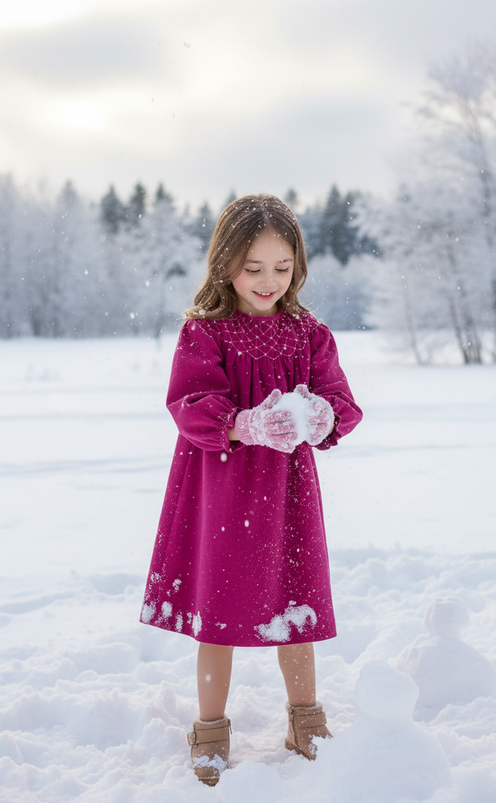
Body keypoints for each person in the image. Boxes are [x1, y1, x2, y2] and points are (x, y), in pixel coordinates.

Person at [140, 194, 363, 786]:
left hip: (288, 493)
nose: (268, 281)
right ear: (226, 264)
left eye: (281, 267)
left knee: (298, 604)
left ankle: (305, 720)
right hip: (222, 488)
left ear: (298, 266)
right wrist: (243, 422)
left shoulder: (308, 334)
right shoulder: (206, 333)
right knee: (221, 609)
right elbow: (188, 402)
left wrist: (323, 417)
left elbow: (342, 400)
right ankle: (210, 729)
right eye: (253, 267)